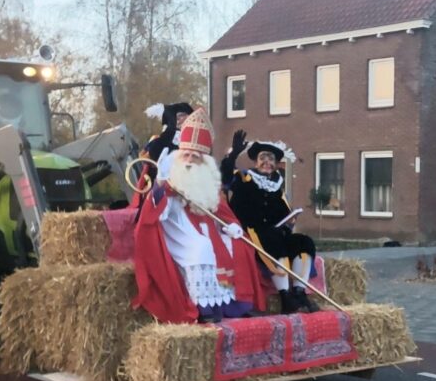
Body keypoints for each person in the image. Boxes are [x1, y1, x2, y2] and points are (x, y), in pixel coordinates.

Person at [132, 108, 266, 324]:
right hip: (178, 227)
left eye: (196, 156)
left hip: (208, 226)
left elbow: (220, 209)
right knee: (202, 247)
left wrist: (232, 226)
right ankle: (204, 307)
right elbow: (157, 212)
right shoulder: (171, 174)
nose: (190, 159)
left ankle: (232, 304)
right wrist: (162, 188)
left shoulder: (206, 177)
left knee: (238, 244)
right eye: (187, 154)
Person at [221, 130, 320, 314]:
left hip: (276, 233)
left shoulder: (278, 186)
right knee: (273, 239)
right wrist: (234, 153)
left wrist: (290, 219)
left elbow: (282, 214)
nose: (267, 161)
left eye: (271, 158)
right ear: (256, 161)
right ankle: (285, 297)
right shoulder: (243, 178)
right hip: (251, 233)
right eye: (263, 157)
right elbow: (224, 177)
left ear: (275, 164)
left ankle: (299, 292)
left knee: (303, 242)